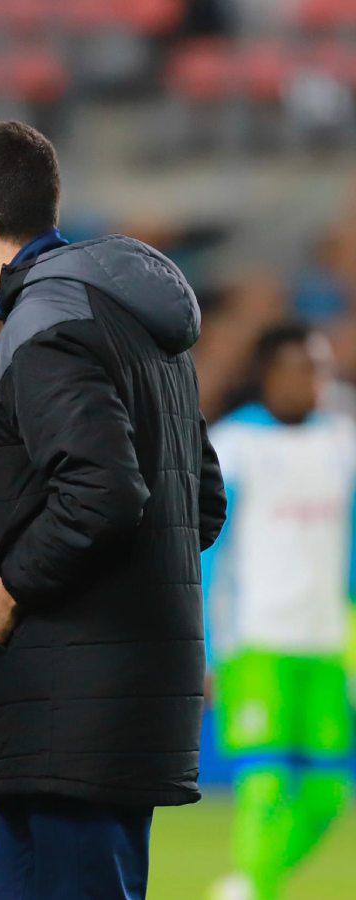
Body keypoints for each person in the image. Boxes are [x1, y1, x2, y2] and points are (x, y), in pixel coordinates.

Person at [0, 121, 227, 899]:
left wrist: (14, 589)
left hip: (77, 710)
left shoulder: (44, 325)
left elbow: (103, 492)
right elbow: (199, 504)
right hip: (98, 702)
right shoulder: (138, 321)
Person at [204, 323, 355, 900]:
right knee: (265, 786)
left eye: (319, 370)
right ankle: (258, 892)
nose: (314, 382)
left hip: (325, 646)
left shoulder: (344, 444)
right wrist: (208, 648)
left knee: (327, 796)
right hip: (257, 643)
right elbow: (208, 553)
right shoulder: (234, 447)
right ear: (269, 374)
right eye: (301, 370)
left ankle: (247, 886)